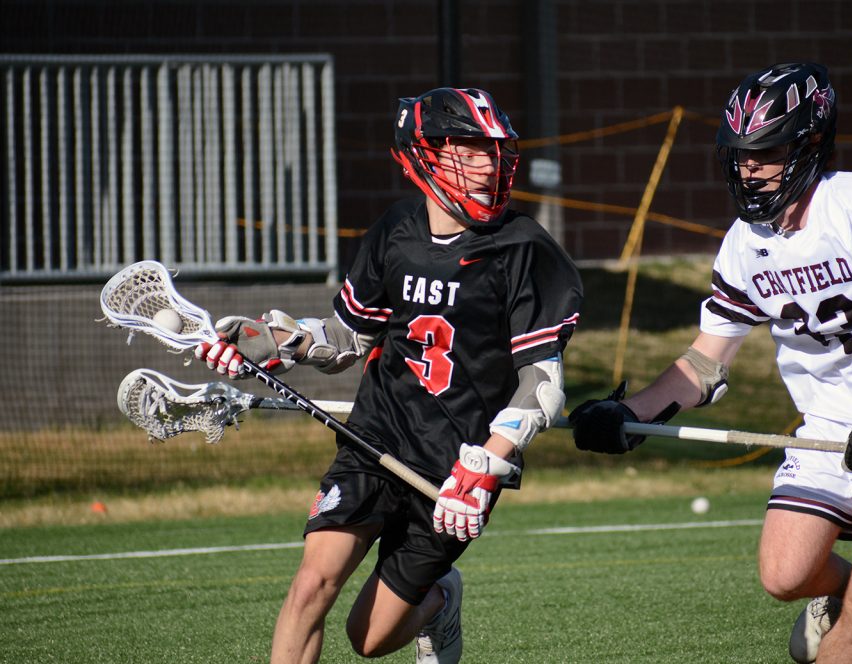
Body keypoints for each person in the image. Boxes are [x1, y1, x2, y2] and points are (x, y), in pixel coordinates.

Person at [569, 63, 852, 664]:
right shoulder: (745, 241)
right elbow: (705, 362)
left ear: (810, 145)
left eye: (765, 152)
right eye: (740, 154)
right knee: (785, 576)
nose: (748, 168)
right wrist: (628, 413)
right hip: (830, 420)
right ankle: (841, 598)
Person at [195, 87, 582, 663]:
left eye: (493, 151)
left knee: (369, 639)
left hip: (459, 467)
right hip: (376, 438)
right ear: (423, 155)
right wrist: (273, 342)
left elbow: (542, 386)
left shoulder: (525, 247)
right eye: (469, 150)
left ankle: (439, 604)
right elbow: (350, 338)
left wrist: (488, 462)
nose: (487, 165)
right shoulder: (396, 229)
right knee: (310, 585)